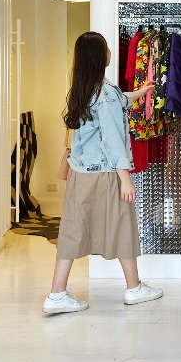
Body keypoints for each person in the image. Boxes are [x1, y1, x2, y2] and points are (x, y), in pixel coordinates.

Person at [43, 31, 164, 314]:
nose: (110, 50)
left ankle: (57, 294)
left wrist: (140, 92)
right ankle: (134, 288)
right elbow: (112, 137)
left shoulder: (84, 89)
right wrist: (125, 178)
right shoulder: (106, 94)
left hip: (80, 174)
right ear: (101, 57)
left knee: (72, 230)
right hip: (106, 174)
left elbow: (115, 102)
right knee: (123, 224)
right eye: (107, 48)